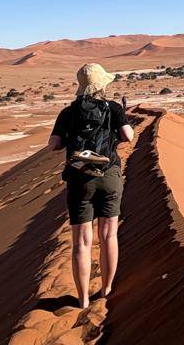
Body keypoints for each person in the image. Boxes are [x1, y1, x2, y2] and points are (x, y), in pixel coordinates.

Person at [48, 63, 134, 309]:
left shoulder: (68, 112)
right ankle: (106, 289)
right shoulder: (114, 108)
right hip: (109, 175)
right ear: (103, 85)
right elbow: (128, 136)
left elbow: (52, 145)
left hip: (79, 178)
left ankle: (83, 298)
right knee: (109, 235)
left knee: (81, 241)